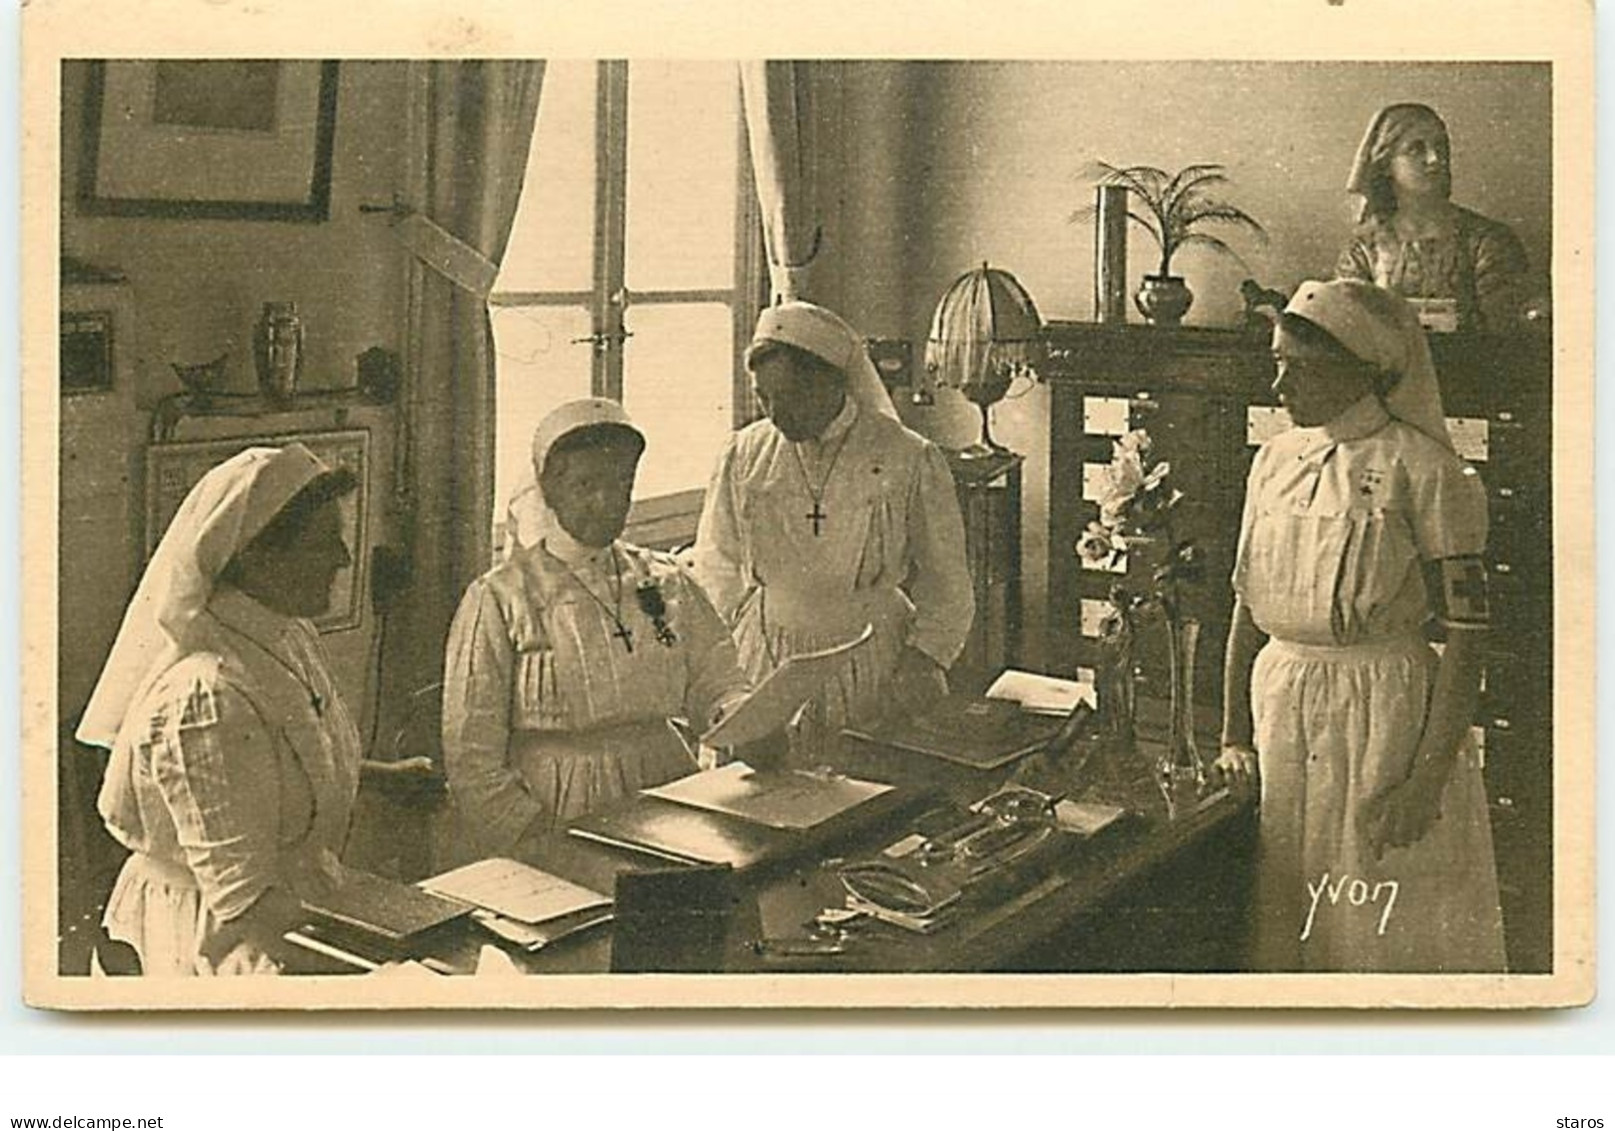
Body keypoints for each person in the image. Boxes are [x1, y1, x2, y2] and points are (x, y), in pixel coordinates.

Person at [1213, 279, 1506, 973]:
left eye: (1301, 367)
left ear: (1362, 367)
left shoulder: (1428, 471)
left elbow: (1466, 635)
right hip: (1282, 707)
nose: (1280, 383)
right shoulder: (1273, 461)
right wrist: (1231, 733)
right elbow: (1243, 607)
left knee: (1377, 923)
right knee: (1286, 921)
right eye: (1276, 361)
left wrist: (1422, 783)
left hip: (1383, 718)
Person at [77, 445, 363, 975]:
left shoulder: (287, 635)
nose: (343, 559)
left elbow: (276, 760)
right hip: (210, 943)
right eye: (323, 543)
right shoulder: (204, 696)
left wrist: (377, 776)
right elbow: (244, 906)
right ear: (254, 554)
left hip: (290, 917)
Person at [442, 399, 752, 864]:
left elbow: (718, 679)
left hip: (668, 789)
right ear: (549, 488)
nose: (607, 501)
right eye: (586, 485)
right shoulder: (501, 597)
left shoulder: (665, 580)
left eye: (620, 484)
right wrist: (532, 832)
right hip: (557, 807)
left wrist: (743, 716)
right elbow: (471, 754)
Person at [693, 301, 974, 758]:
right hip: (764, 653)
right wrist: (716, 666)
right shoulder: (744, 453)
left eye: (792, 396)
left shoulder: (908, 457)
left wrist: (924, 658)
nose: (778, 413)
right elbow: (716, 563)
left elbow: (947, 581)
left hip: (870, 654)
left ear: (833, 382)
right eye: (765, 397)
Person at [1334, 102, 1530, 333]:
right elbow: (1350, 332)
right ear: (1386, 164)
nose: (1434, 159)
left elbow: (1503, 333)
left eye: (1440, 147)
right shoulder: (1363, 248)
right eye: (1415, 149)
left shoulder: (1488, 241)